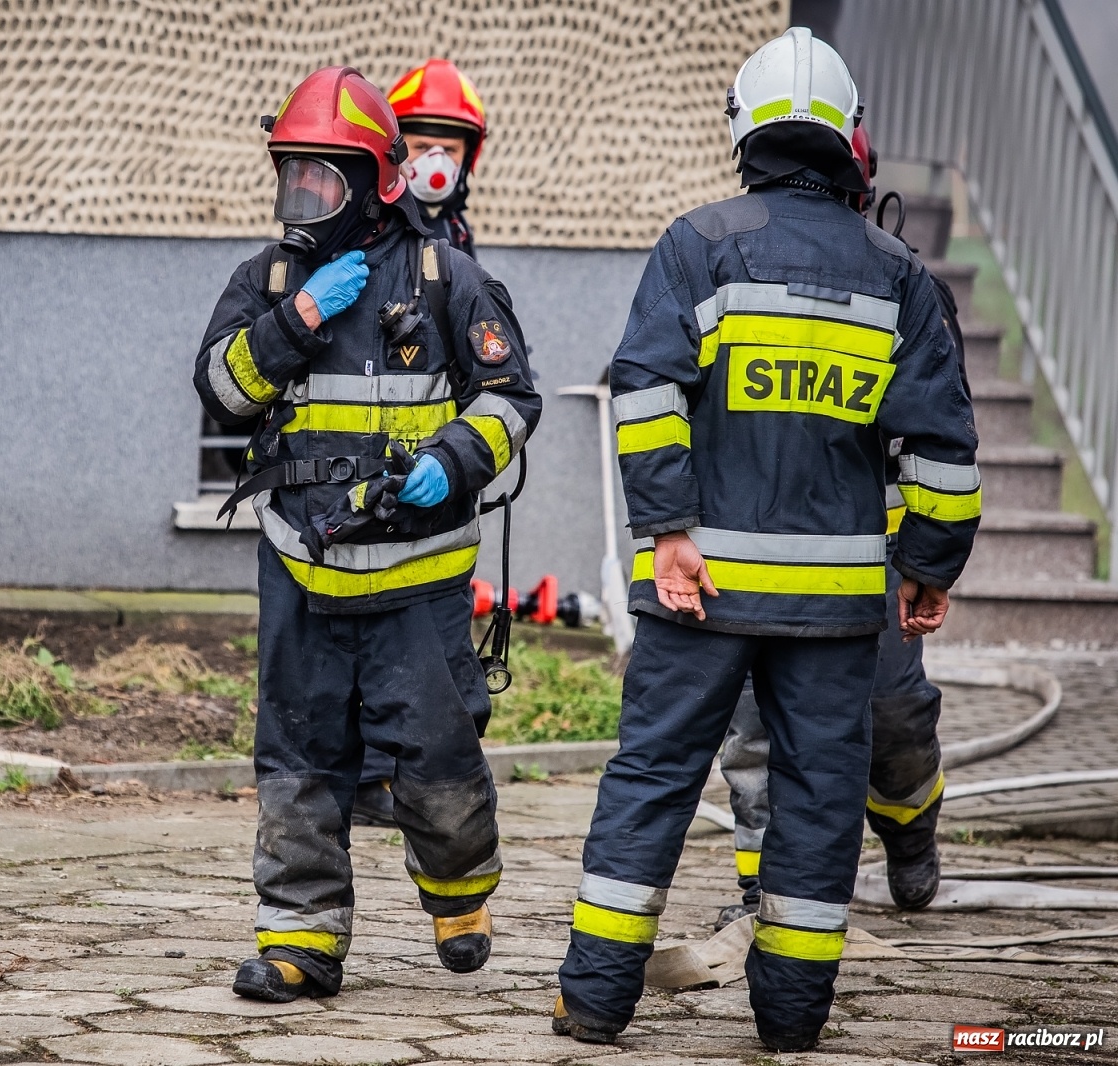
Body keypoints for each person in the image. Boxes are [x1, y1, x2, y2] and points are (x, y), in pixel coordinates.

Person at [552, 28, 979, 1052]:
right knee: (820, 799)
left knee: (652, 777)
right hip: (835, 609)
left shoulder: (696, 244)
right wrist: (927, 565)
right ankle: (789, 1020)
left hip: (700, 592)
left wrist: (665, 531)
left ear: (743, 130)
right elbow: (943, 446)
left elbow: (646, 394)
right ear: (847, 139)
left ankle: (596, 1002)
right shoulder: (898, 276)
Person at [194, 66, 541, 1003]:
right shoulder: (267, 281)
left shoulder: (446, 278)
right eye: (291, 177)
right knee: (299, 759)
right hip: (300, 576)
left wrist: (457, 459)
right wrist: (296, 321)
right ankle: (302, 943)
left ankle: (461, 895)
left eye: (323, 179)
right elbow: (222, 391)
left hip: (416, 583)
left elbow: (512, 398)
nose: (302, 199)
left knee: (436, 759)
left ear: (378, 180)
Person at [714, 124, 972, 930]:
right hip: (757, 554)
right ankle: (766, 893)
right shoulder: (729, 269)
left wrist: (927, 559)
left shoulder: (906, 289)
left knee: (893, 718)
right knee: (755, 730)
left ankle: (907, 825)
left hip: (874, 559)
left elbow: (941, 435)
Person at [351, 57, 491, 828]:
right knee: (380, 612)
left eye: (452, 146)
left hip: (446, 463)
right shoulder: (382, 233)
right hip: (383, 459)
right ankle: (374, 776)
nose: (437, 161)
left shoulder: (460, 239)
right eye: (423, 143)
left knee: (436, 617)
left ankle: (422, 767)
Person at [387, 58, 486, 259]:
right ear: (394, 148)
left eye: (449, 150)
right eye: (421, 147)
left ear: (467, 155)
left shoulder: (456, 226)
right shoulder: (371, 230)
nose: (436, 162)